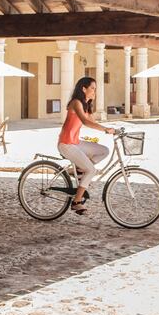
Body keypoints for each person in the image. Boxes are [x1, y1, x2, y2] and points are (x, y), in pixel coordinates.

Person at [58, 77, 117, 213]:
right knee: (91, 170)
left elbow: (92, 121)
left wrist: (90, 102)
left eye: (95, 89)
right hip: (66, 144)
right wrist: (105, 130)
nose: (94, 91)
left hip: (75, 143)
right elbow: (85, 122)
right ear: (84, 88)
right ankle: (77, 201)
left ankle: (78, 170)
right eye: (93, 88)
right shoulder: (75, 103)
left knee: (104, 151)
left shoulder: (84, 104)